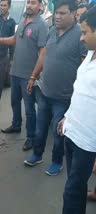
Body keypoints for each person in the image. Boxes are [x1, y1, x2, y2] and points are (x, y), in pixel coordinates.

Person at [23, 0, 86, 176]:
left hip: (64, 97)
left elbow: (84, 67)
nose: (57, 16)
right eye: (56, 13)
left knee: (58, 134)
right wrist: (33, 77)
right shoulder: (51, 31)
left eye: (62, 13)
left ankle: (57, 162)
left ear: (73, 14)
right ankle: (37, 154)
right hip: (45, 92)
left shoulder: (80, 35)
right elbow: (44, 55)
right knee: (40, 129)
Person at [57, 6, 96, 213]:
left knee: (71, 191)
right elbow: (80, 91)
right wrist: (67, 117)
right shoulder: (91, 54)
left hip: (88, 144)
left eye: (85, 32)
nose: (81, 38)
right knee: (78, 187)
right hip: (72, 133)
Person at [0, 0, 48, 151]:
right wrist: (2, 40)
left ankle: (31, 138)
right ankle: (16, 125)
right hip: (15, 72)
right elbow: (16, 39)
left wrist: (33, 77)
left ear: (40, 6)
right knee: (14, 102)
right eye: (28, 2)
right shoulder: (23, 19)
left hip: (28, 76)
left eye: (33, 3)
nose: (29, 5)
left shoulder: (41, 25)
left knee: (30, 109)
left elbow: (43, 53)